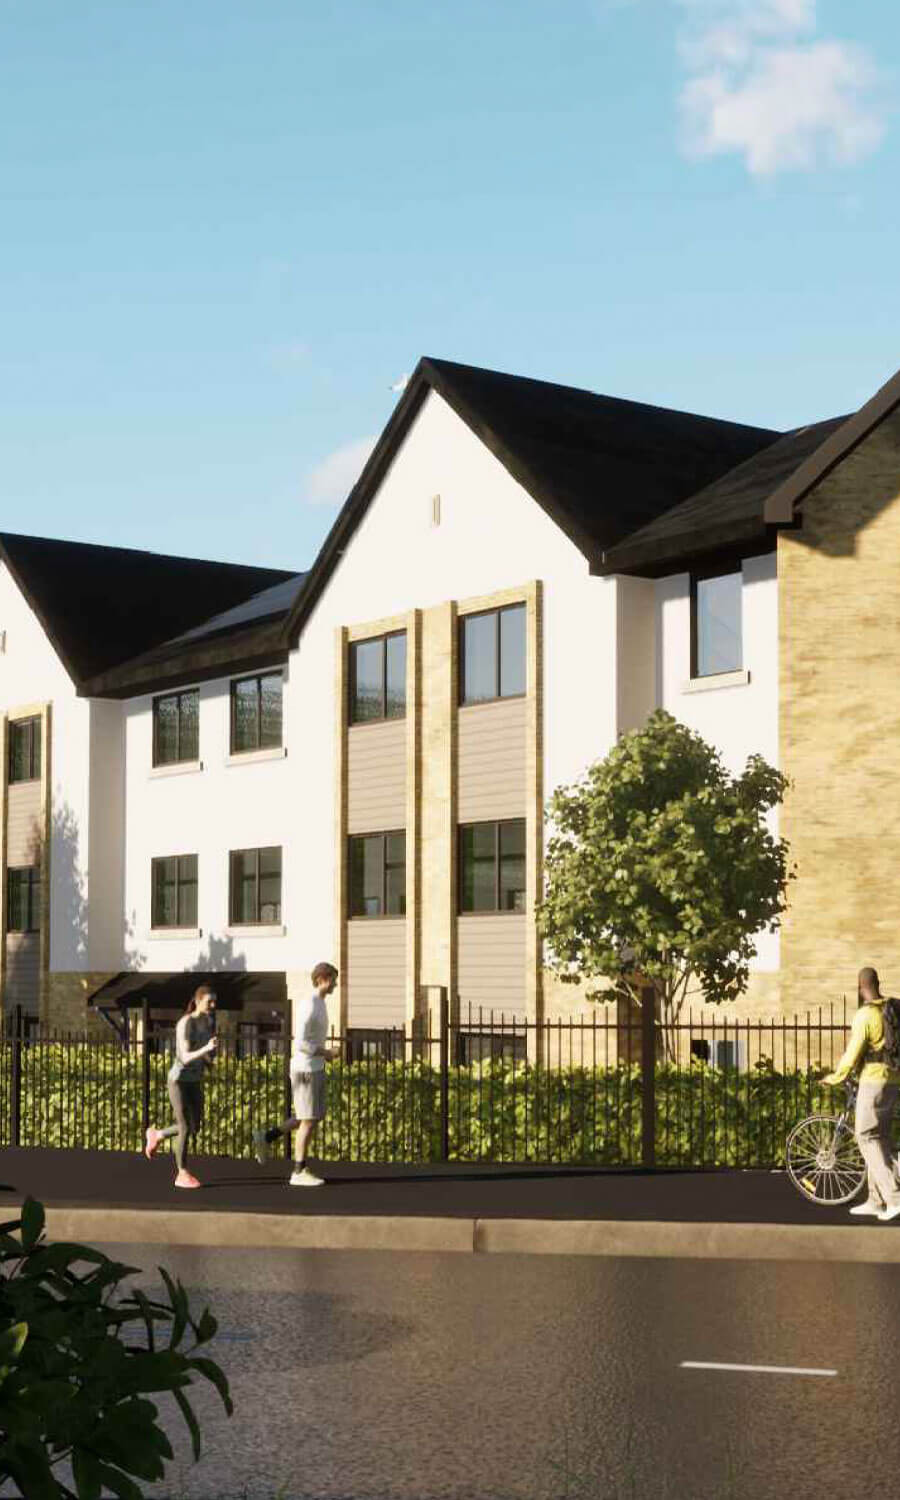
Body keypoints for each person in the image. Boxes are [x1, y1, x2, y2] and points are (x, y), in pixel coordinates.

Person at [823, 966, 900, 1222]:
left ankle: (894, 1198)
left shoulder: (866, 1015)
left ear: (860, 987)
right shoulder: (893, 1009)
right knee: (880, 1138)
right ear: (878, 982)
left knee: (865, 1136)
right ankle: (875, 1201)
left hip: (874, 1080)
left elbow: (853, 1052)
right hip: (893, 1080)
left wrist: (836, 1077)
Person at [253, 961, 339, 1187]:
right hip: (305, 1070)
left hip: (316, 1067)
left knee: (308, 1117)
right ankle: (298, 1171)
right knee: (308, 1120)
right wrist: (327, 1052)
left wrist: (324, 1056)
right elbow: (299, 1042)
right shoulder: (309, 1004)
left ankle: (266, 1136)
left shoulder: (320, 1003)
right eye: (333, 980)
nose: (336, 985)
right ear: (321, 979)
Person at [144, 984, 218, 1189]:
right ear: (197, 1001)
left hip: (194, 1080)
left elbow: (198, 1049)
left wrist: (208, 1061)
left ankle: (157, 1134)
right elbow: (184, 1056)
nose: (212, 1005)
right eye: (209, 1001)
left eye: (214, 1001)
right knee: (185, 1126)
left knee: (195, 1127)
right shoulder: (185, 1023)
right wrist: (207, 1048)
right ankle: (182, 1173)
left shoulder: (207, 1021)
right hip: (178, 1081)